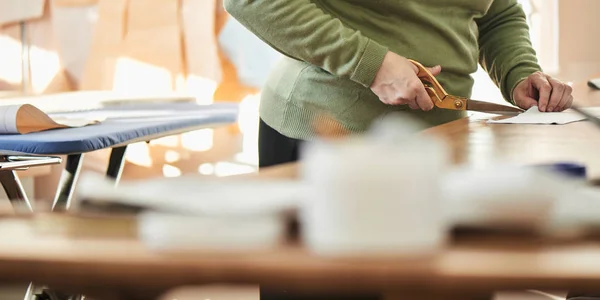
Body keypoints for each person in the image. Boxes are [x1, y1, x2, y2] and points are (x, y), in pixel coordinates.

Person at [224, 1, 574, 299]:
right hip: (329, 142)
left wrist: (519, 71)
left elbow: (497, 13)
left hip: (444, 143)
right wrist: (369, 63)